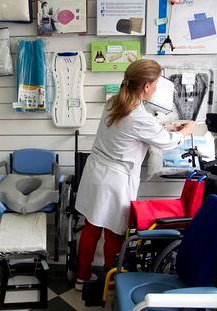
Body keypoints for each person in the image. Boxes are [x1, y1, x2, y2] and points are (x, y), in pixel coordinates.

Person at [74, 59, 195, 290]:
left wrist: (164, 126)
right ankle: (112, 285)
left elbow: (136, 127)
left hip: (95, 172)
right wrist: (184, 132)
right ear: (147, 86)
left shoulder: (114, 102)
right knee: (114, 233)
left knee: (90, 226)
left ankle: (82, 277)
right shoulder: (138, 117)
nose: (157, 88)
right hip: (114, 180)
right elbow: (165, 142)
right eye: (156, 84)